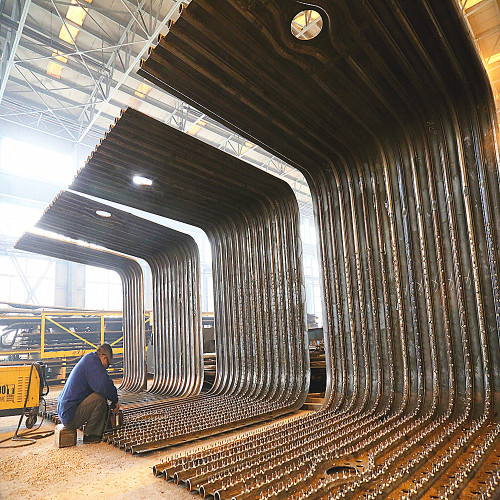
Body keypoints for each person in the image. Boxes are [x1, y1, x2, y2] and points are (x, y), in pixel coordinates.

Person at [57, 343, 120, 443]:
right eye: (108, 364)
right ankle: (91, 434)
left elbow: (103, 383)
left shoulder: (89, 359)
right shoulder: (93, 362)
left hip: (66, 412)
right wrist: (115, 399)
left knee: (99, 396)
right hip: (70, 417)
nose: (106, 368)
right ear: (104, 357)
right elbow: (103, 386)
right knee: (99, 399)